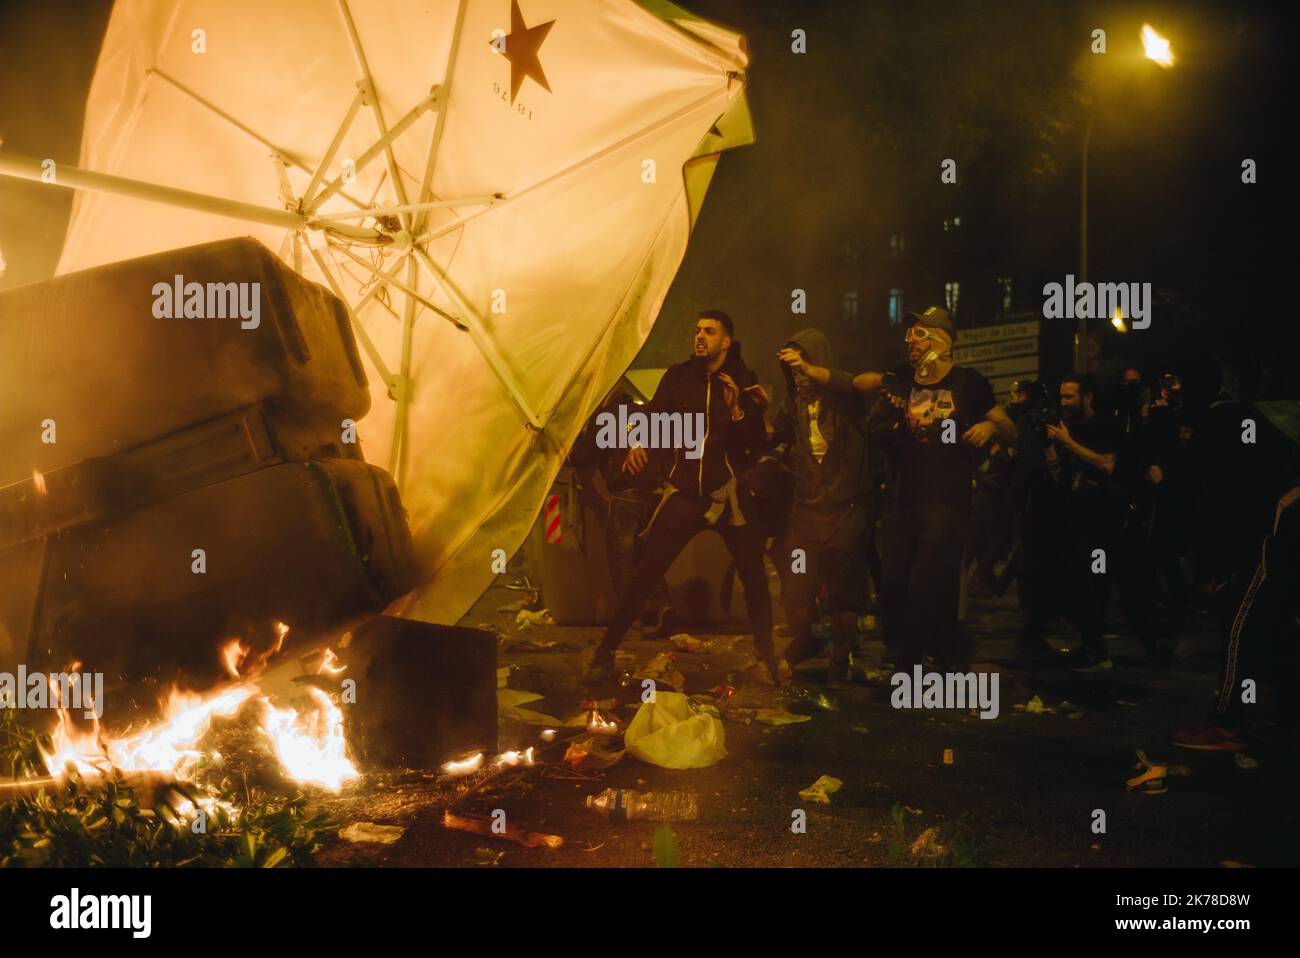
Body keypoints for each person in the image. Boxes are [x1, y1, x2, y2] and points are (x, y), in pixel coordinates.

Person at [582, 310, 780, 685]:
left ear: (726, 341)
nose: (700, 337)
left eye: (709, 331)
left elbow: (753, 445)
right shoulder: (678, 377)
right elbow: (656, 418)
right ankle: (604, 653)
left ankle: (766, 657)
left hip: (729, 496)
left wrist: (739, 410)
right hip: (686, 493)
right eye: (697, 331)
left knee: (754, 576)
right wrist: (640, 443)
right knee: (646, 573)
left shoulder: (743, 380)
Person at [847, 306, 1017, 674]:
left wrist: (990, 430)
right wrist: (887, 386)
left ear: (941, 341)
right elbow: (858, 383)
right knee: (893, 582)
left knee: (924, 582)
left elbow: (1009, 428)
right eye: (909, 334)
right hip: (903, 498)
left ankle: (909, 665)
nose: (910, 340)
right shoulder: (902, 380)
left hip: (948, 501)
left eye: (920, 333)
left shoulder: (969, 383)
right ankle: (945, 646)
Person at [769, 328, 870, 689]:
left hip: (846, 509)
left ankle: (841, 659)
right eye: (793, 369)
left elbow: (858, 385)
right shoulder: (793, 402)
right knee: (795, 588)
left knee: (843, 593)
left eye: (803, 366)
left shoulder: (846, 398)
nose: (798, 376)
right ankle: (808, 639)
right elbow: (771, 435)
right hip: (807, 511)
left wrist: (809, 369)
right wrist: (743, 409)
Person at [570, 384, 674, 634]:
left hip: (625, 495)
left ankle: (632, 617)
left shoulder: (606, 417)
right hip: (656, 497)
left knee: (621, 562)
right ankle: (662, 606)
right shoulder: (650, 413)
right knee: (648, 558)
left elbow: (583, 455)